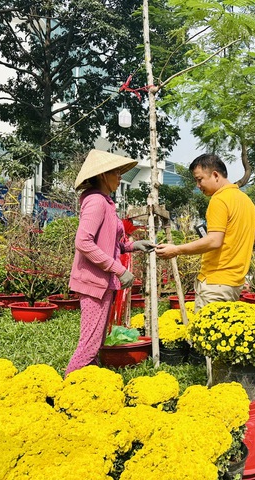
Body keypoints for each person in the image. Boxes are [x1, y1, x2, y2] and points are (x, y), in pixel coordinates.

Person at [65, 149, 154, 376]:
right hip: (93, 283)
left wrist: (135, 245)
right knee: (89, 345)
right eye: (116, 172)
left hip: (102, 283)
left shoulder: (106, 202)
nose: (120, 177)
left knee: (96, 342)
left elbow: (110, 243)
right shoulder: (96, 201)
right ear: (103, 175)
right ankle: (68, 385)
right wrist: (118, 269)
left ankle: (88, 385)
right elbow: (83, 242)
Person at [155, 154, 255, 310]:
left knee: (205, 333)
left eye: (200, 179)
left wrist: (176, 249)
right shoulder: (246, 200)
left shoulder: (219, 199)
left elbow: (214, 240)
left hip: (215, 283)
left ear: (215, 175)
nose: (198, 185)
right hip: (235, 283)